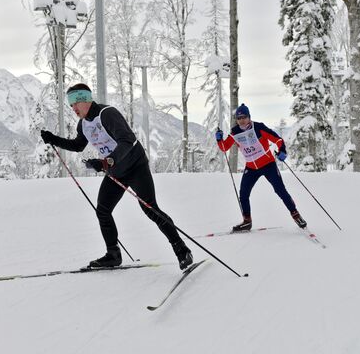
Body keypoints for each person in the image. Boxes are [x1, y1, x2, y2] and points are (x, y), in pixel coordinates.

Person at [40, 83, 193, 270]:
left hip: (135, 166)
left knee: (150, 209)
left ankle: (182, 250)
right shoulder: (84, 124)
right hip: (116, 171)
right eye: (71, 105)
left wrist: (105, 162)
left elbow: (127, 141)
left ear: (85, 100)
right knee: (103, 210)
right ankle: (113, 254)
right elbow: (78, 145)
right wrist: (53, 139)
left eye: (75, 103)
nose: (73, 108)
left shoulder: (107, 114)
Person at [215, 103, 307, 232]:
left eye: (244, 117)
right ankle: (247, 221)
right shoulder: (234, 132)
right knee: (243, 194)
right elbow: (224, 148)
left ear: (249, 117)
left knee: (280, 190)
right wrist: (219, 139)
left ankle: (296, 214)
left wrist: (282, 151)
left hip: (268, 164)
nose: (241, 120)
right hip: (251, 167)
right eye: (239, 118)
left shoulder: (259, 127)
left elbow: (278, 140)